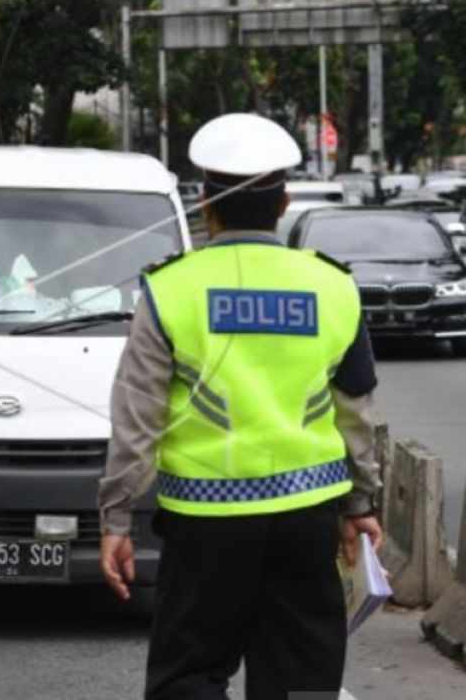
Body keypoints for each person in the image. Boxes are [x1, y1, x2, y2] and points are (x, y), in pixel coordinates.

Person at [98, 113, 385, 700]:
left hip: (204, 521)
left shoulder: (169, 287)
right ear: (283, 205)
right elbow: (356, 409)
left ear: (206, 203)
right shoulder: (332, 285)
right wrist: (360, 503)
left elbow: (138, 418)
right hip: (307, 517)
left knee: (191, 674)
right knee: (302, 677)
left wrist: (116, 517)